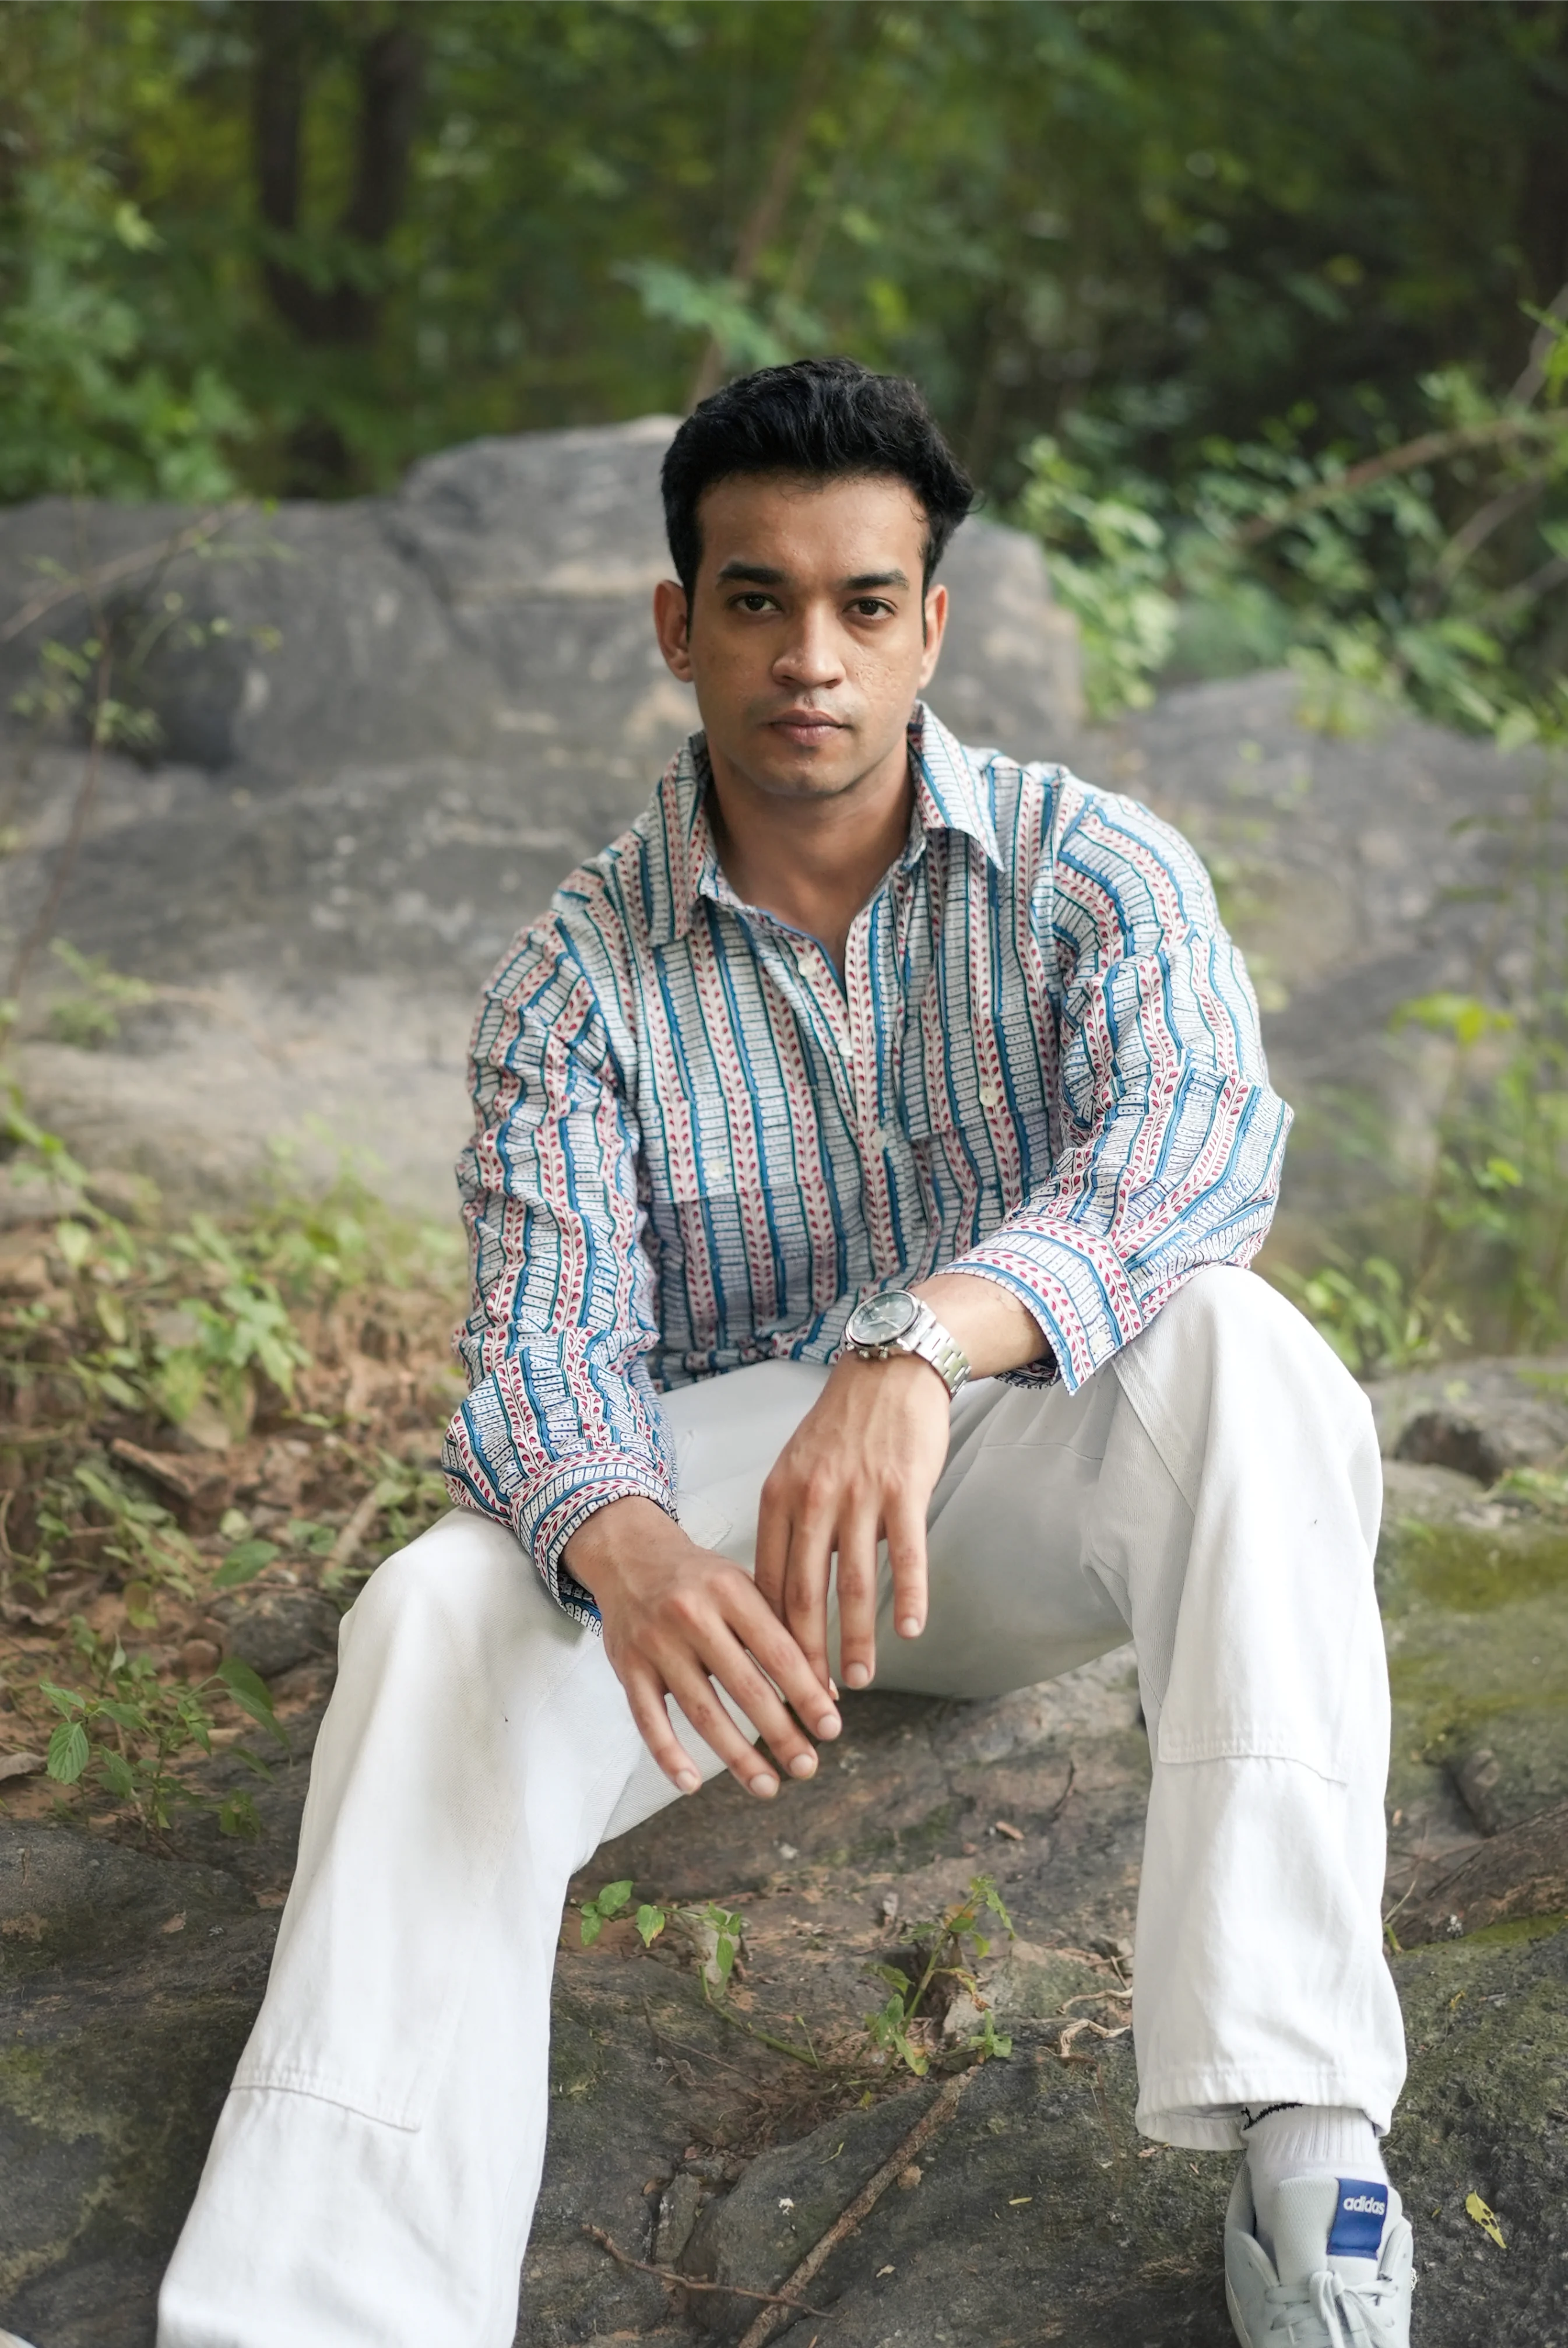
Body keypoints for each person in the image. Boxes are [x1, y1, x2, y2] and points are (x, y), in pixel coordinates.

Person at [151, 358, 1414, 2348]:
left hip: (1027, 1474)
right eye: (755, 600)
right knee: (424, 1613)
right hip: (726, 1557)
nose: (807, 656)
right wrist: (625, 1543)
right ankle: (321, 2316)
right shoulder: (576, 980)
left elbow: (1195, 1156)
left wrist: (915, 1348)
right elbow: (539, 1346)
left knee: (1251, 1358)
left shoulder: (1101, 873)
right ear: (681, 626)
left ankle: (1303, 2120)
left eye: (860, 605)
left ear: (932, 625)